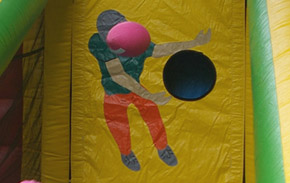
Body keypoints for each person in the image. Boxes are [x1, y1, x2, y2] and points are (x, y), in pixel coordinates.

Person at [89, 10, 211, 171]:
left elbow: (160, 50)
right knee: (119, 126)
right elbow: (119, 76)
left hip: (135, 87)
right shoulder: (99, 43)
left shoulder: (135, 39)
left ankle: (162, 148)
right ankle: (126, 154)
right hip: (114, 93)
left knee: (153, 116)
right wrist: (149, 96)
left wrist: (193, 43)